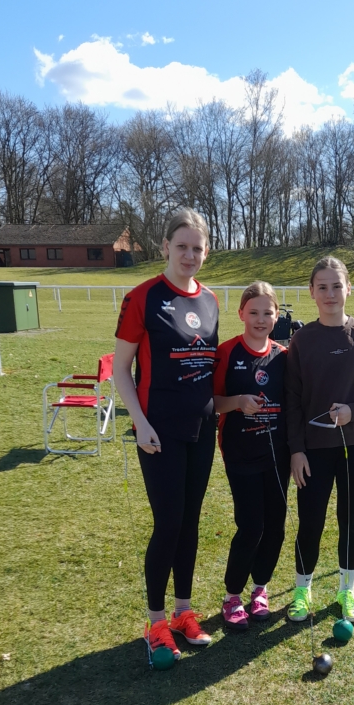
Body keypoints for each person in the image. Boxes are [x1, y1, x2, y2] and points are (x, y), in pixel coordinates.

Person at [113, 208, 218, 663]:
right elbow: (121, 370)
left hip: (202, 429)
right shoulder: (142, 297)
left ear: (206, 252)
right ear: (165, 247)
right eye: (181, 247)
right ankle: (156, 622)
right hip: (158, 430)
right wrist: (140, 422)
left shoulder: (211, 300)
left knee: (191, 522)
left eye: (197, 248)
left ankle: (183, 613)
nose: (189, 255)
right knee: (169, 523)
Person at [285, 256, 354, 624]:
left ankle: (347, 590)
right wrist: (296, 450)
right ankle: (302, 591)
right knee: (311, 522)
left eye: (337, 286)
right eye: (322, 287)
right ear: (311, 292)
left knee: (352, 520)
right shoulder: (301, 340)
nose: (330, 293)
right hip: (313, 451)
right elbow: (292, 401)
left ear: (349, 289)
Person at [213, 282, 289, 631]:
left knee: (275, 526)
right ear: (241, 313)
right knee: (251, 525)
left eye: (267, 313)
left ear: (277, 315)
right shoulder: (227, 352)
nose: (260, 319)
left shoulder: (284, 355)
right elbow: (211, 402)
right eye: (254, 312)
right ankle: (232, 596)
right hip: (240, 453)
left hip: (277, 455)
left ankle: (260, 590)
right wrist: (238, 402)